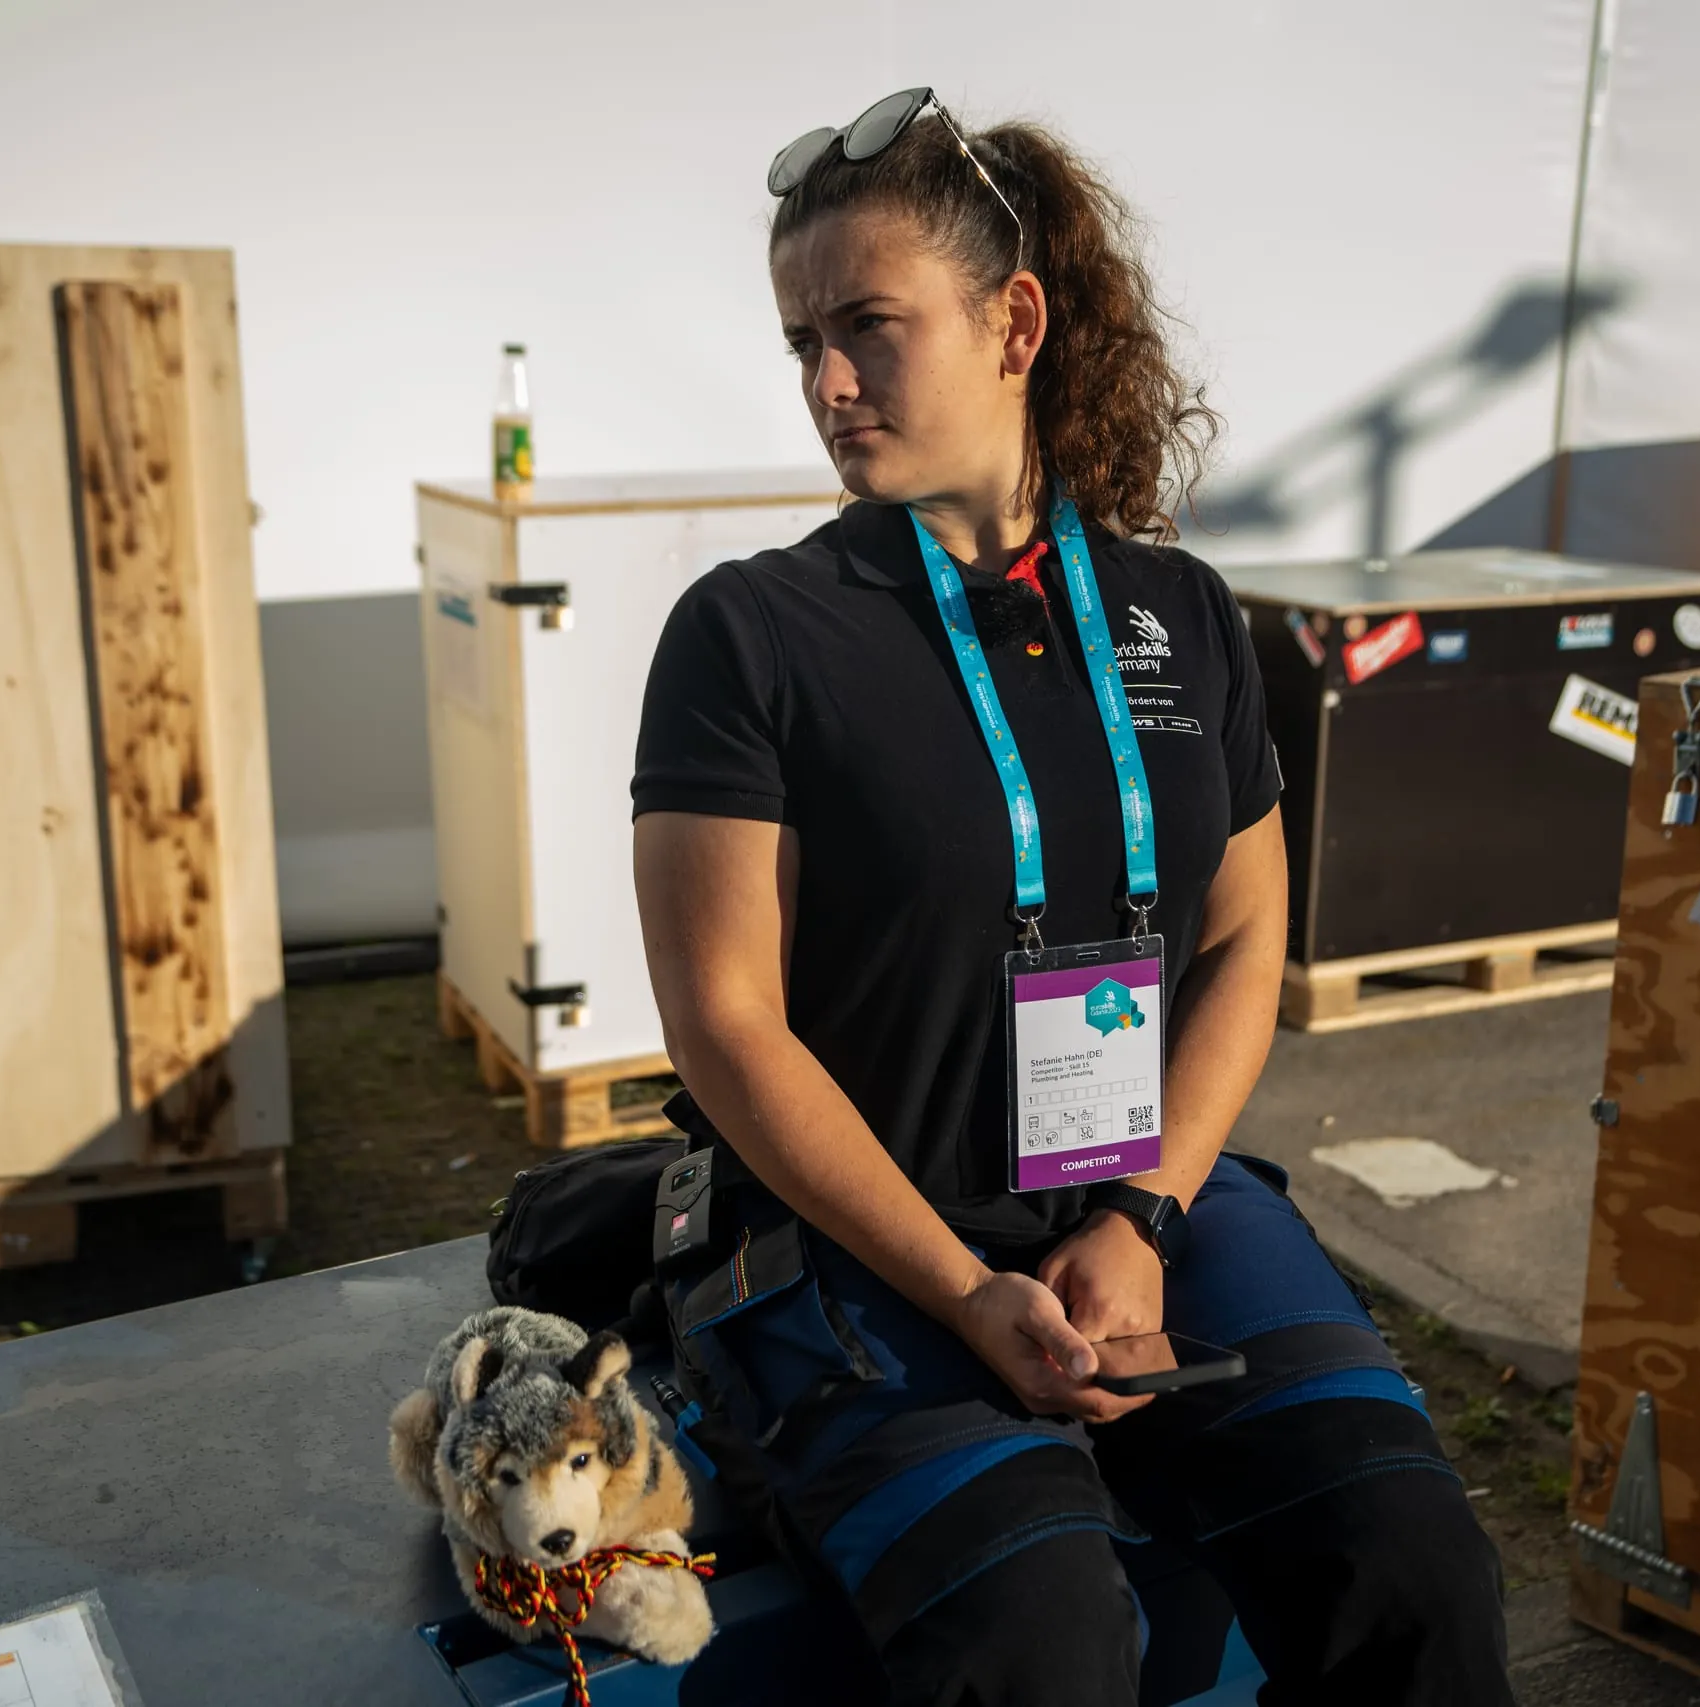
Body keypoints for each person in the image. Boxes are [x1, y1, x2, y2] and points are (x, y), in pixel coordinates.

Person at [631, 88, 1512, 1705]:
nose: (827, 382)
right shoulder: (750, 637)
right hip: (871, 1237)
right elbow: (725, 1020)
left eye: (869, 326)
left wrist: (1144, 1214)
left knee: (1413, 1565)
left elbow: (1244, 935)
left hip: (1146, 1200)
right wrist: (968, 1289)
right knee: (1039, 1643)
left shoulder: (1183, 610)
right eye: (803, 341)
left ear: (1015, 323)